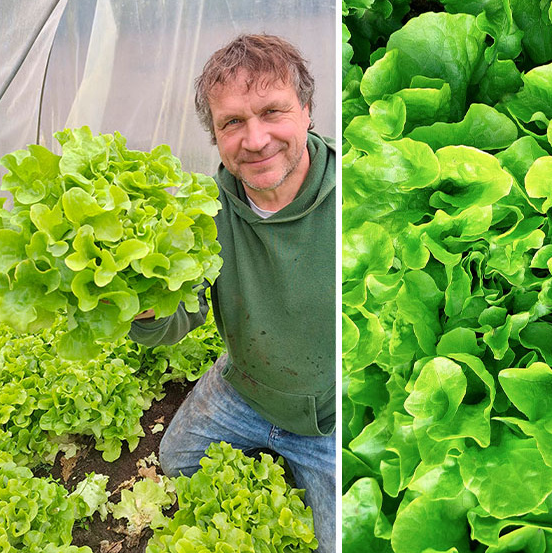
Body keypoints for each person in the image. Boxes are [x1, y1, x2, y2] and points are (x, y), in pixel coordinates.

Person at [129, 34, 335, 552]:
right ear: (216, 136)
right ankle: (269, 445)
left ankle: (294, 457)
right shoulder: (203, 213)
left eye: (273, 111)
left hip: (330, 417)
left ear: (307, 111)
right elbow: (180, 319)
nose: (256, 138)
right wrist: (145, 304)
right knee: (175, 461)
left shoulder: (354, 199)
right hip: (245, 386)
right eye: (233, 123)